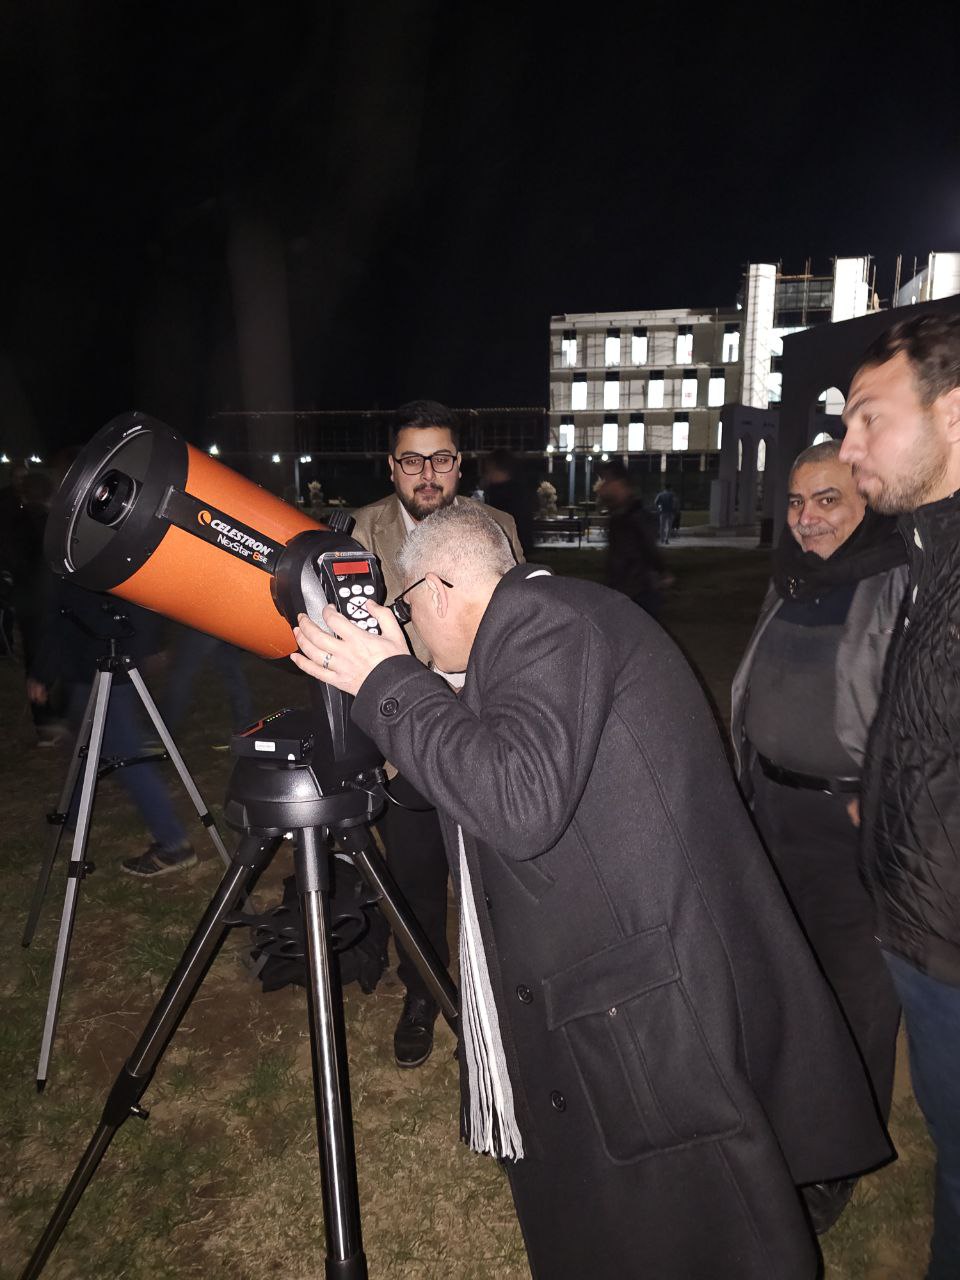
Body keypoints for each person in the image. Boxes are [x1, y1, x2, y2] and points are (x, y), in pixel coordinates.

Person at [291, 502, 891, 1280]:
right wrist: (405, 698)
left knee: (702, 1222)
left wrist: (390, 679)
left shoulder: (543, 621)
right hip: (639, 952)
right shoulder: (543, 621)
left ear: (436, 588)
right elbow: (478, 766)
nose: (408, 630)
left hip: (647, 982)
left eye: (406, 610)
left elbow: (517, 803)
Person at [731, 438, 906, 1229]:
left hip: (852, 827)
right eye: (798, 503)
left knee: (858, 994)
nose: (807, 518)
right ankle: (790, 1111)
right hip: (774, 809)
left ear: (867, 497)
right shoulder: (793, 580)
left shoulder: (899, 580)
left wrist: (885, 794)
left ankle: (841, 1155)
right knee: (787, 975)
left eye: (827, 500)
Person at [838, 313, 960, 1280]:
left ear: (952, 413)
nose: (848, 447)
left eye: (869, 418)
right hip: (920, 923)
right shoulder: (931, 553)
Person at [350, 400, 523, 1067]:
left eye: (441, 459)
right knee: (416, 877)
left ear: (459, 464)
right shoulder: (359, 532)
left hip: (483, 736)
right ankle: (423, 990)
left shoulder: (496, 527)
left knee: (498, 878)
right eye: (413, 460)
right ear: (392, 467)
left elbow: (519, 625)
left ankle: (505, 999)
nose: (428, 474)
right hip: (403, 747)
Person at [27, 578, 196, 877]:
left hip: (102, 662)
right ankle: (72, 817)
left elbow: (61, 614)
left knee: (126, 755)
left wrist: (43, 671)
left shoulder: (75, 562)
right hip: (99, 661)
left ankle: (174, 844)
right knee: (84, 745)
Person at [595, 459, 666, 616]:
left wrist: (661, 572)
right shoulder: (618, 516)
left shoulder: (636, 516)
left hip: (638, 592)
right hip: (623, 590)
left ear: (620, 483)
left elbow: (649, 549)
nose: (602, 488)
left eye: (607, 481)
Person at [481, 449, 535, 558]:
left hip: (508, 547)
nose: (487, 474)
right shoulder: (520, 490)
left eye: (488, 469)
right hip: (518, 545)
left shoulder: (502, 493)